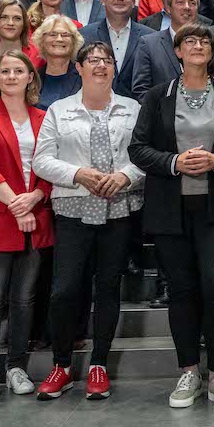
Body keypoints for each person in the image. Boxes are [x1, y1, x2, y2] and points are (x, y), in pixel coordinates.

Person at [128, 23, 214, 411]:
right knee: (182, 291)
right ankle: (189, 370)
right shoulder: (156, 97)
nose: (197, 46)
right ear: (178, 51)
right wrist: (173, 162)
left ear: (213, 52)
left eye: (204, 41)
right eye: (189, 42)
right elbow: (138, 149)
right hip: (171, 208)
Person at [33, 42, 146, 400]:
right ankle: (62, 364)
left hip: (119, 210)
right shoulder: (59, 109)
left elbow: (145, 155)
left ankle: (99, 363)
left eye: (107, 61)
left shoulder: (132, 108)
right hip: (73, 210)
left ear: (114, 69)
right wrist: (77, 173)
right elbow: (42, 160)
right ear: (78, 68)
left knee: (109, 287)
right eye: (93, 60)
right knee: (64, 289)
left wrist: (126, 176)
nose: (100, 65)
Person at [0, 51, 54, 400]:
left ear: (31, 77)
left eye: (20, 70)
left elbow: (50, 164)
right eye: (6, 71)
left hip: (36, 213)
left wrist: (33, 199)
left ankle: (17, 366)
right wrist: (17, 204)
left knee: (24, 298)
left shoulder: (43, 117)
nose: (13, 76)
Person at [34, 14, 84, 110]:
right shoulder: (32, 79)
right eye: (53, 34)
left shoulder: (84, 77)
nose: (59, 39)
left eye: (65, 35)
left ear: (74, 42)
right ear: (42, 41)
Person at [0, 0, 41, 70]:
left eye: (17, 18)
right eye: (4, 17)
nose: (10, 23)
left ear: (24, 23)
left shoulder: (38, 56)